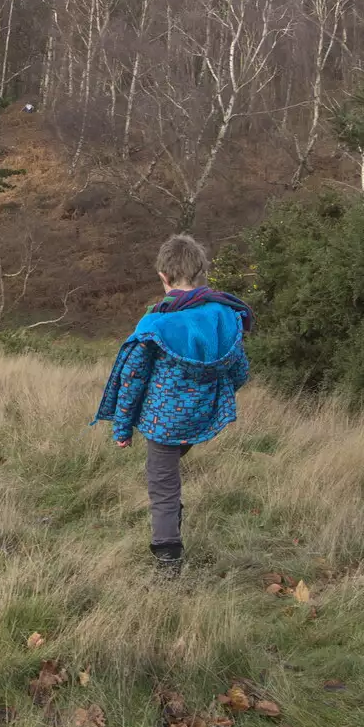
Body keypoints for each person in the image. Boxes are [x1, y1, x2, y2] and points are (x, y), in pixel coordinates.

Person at [91, 234, 254, 577]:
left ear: (163, 277)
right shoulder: (225, 315)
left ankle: (168, 559)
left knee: (162, 484)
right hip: (204, 418)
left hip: (163, 425)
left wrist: (121, 428)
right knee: (167, 472)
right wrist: (211, 398)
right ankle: (172, 519)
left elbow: (131, 378)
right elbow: (239, 369)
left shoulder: (156, 323)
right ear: (202, 273)